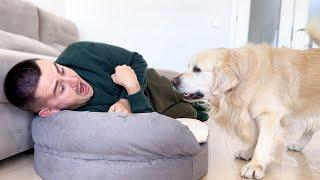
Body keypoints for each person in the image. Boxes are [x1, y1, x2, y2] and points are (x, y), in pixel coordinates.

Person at [4, 41, 209, 120]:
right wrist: (131, 92)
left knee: (186, 98)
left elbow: (135, 59)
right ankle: (196, 109)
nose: (72, 80)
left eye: (61, 70)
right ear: (49, 111)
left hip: (155, 84)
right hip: (157, 112)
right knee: (193, 115)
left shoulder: (79, 52)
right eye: (60, 88)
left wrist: (126, 97)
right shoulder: (84, 119)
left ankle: (198, 105)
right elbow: (148, 126)